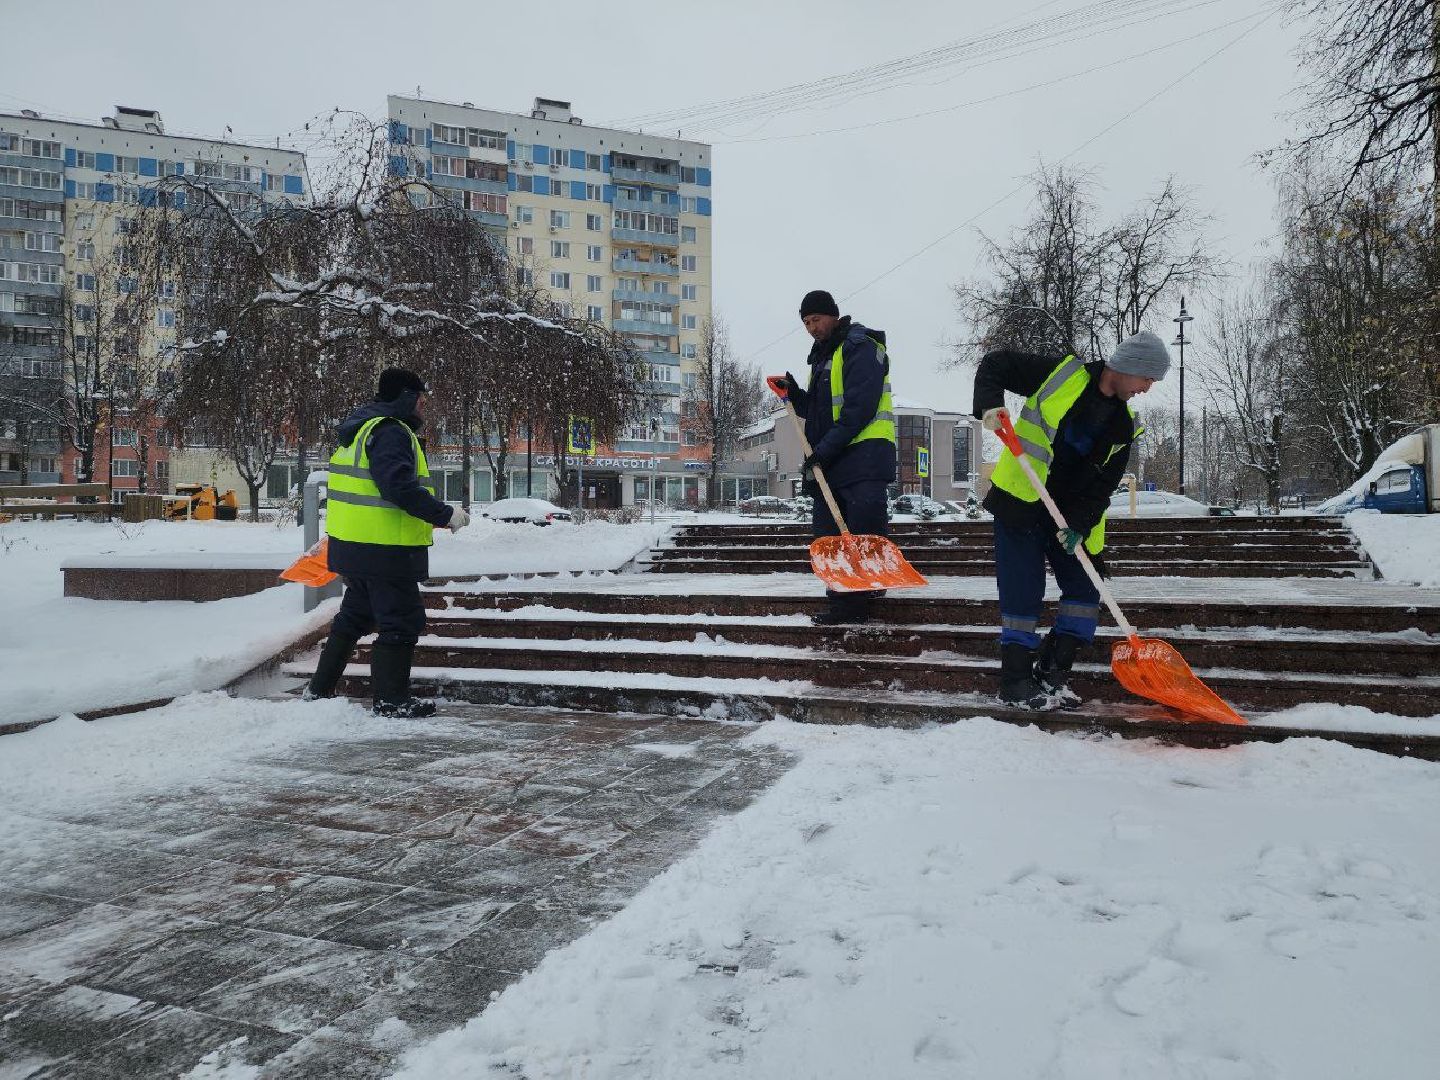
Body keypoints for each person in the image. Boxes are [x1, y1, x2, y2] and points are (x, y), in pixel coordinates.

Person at [972, 330, 1169, 708]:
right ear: (1129, 367)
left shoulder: (1122, 428)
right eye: (1147, 378)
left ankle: (1051, 675)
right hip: (1023, 501)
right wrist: (989, 406)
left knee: (1083, 592)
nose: (1147, 387)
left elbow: (1101, 488)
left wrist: (1079, 524)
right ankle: (1014, 682)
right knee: (1023, 591)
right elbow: (996, 363)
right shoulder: (1062, 374)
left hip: (1066, 517)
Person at [305, 367, 468, 716]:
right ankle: (392, 702)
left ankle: (318, 691)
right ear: (406, 398)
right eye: (420, 398)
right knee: (401, 621)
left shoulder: (361, 430)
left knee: (352, 619)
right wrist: (445, 514)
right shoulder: (391, 432)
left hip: (354, 547)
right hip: (386, 550)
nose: (423, 405)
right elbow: (398, 488)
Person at [778, 290, 897, 625]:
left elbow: (859, 409)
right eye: (805, 323)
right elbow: (819, 413)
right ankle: (842, 600)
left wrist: (822, 452)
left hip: (864, 455)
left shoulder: (860, 347)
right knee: (828, 535)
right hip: (832, 459)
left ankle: (862, 596)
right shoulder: (822, 357)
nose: (811, 328)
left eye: (815, 319)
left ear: (833, 315)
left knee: (861, 529)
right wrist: (795, 395)